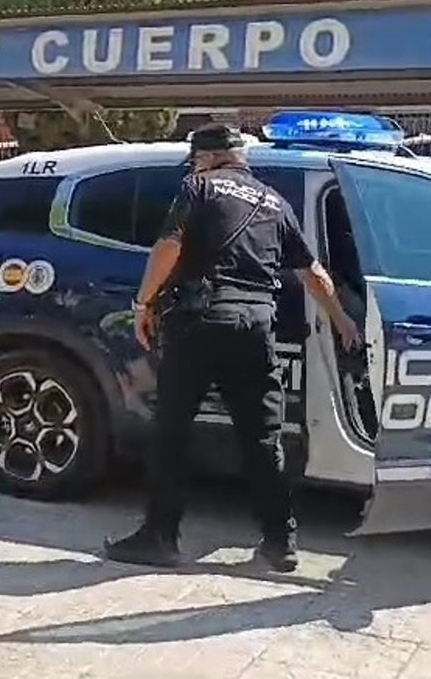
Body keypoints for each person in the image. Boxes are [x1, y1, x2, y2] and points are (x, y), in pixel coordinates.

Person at [105, 123, 362, 573]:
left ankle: (160, 536)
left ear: (205, 158)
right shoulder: (273, 201)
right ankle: (280, 541)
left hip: (199, 322)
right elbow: (312, 271)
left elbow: (169, 246)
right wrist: (340, 319)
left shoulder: (197, 186)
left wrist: (143, 302)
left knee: (172, 432)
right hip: (256, 326)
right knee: (263, 436)